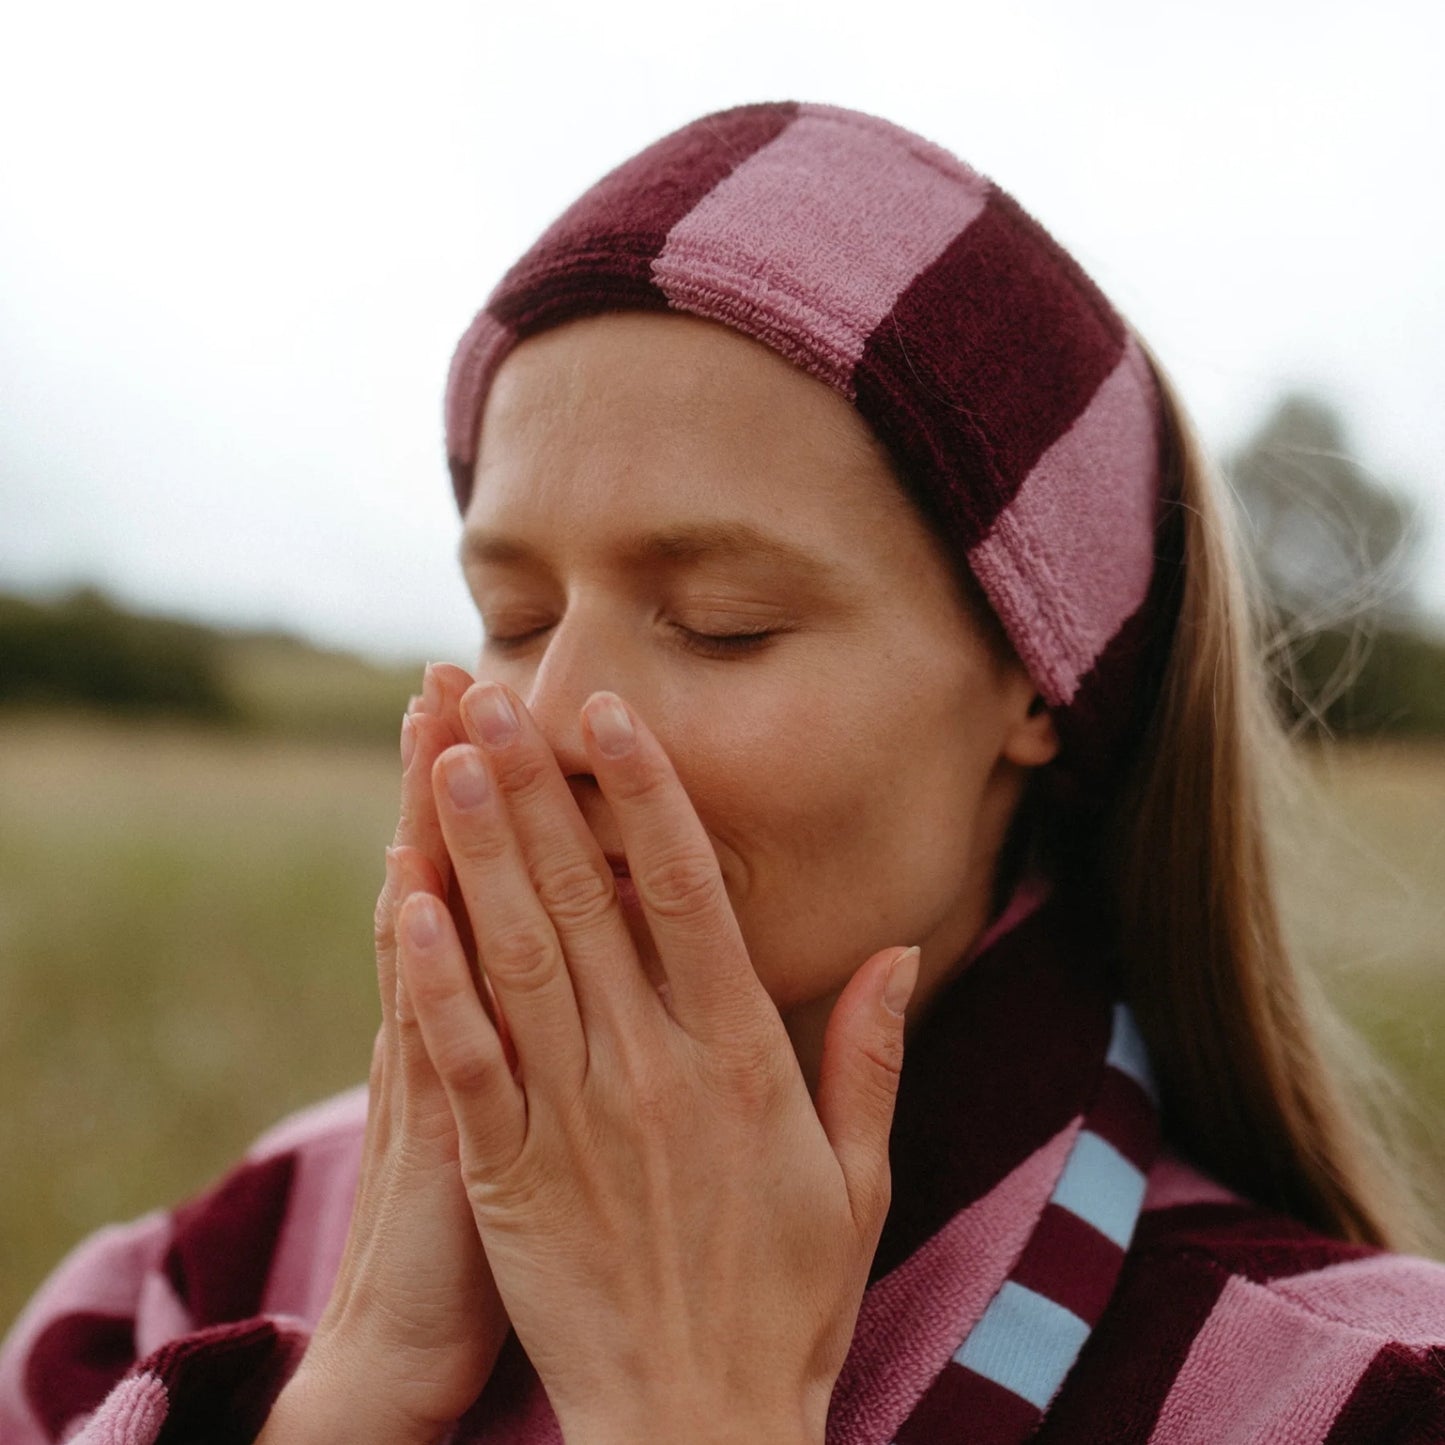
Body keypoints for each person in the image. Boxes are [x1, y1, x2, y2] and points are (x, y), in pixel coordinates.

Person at [3, 100, 1442, 1445]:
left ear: (1031, 679)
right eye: (513, 618)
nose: (551, 718)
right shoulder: (198, 1271)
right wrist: (359, 1384)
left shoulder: (1347, 1394)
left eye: (721, 624)